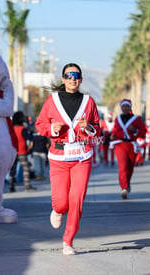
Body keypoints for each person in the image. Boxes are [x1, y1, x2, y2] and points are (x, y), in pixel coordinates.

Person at [35, 63, 101, 255]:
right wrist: (51, 129)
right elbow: (40, 125)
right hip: (58, 156)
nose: (73, 78)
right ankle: (57, 210)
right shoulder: (52, 101)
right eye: (69, 75)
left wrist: (88, 127)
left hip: (82, 156)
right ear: (63, 79)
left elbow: (98, 129)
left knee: (76, 199)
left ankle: (68, 241)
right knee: (62, 202)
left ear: (80, 79)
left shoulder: (89, 102)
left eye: (76, 75)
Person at [109, 99, 146, 199]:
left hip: (131, 145)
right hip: (120, 145)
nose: (125, 108)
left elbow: (143, 132)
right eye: (123, 106)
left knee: (130, 167)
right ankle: (124, 188)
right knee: (123, 166)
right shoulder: (118, 119)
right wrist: (113, 136)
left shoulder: (136, 119)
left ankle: (127, 182)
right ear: (121, 108)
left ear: (130, 107)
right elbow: (115, 131)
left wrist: (134, 130)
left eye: (127, 106)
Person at [9, 111, 36, 192]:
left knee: (13, 169)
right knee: (26, 168)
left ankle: (11, 186)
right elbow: (30, 137)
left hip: (13, 151)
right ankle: (27, 186)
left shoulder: (12, 128)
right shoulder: (22, 129)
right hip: (22, 152)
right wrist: (30, 132)